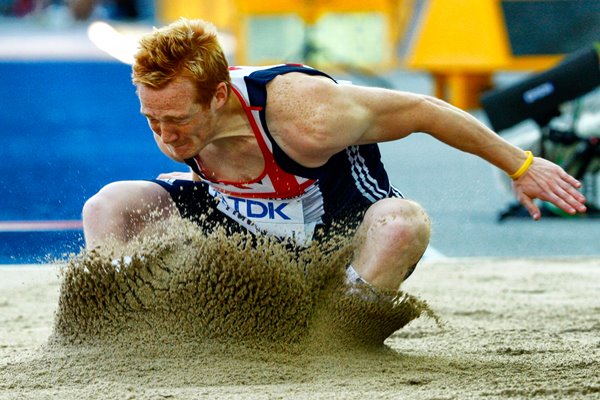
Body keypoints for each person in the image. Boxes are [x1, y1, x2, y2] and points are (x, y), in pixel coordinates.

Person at [82, 18, 587, 292]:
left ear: (219, 96)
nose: (167, 137)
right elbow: (172, 134)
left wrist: (520, 164)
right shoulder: (174, 110)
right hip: (241, 226)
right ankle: (121, 318)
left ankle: (341, 334)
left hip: (336, 233)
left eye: (178, 121)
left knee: (403, 223)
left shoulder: (307, 113)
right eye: (153, 121)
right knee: (107, 205)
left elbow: (425, 109)